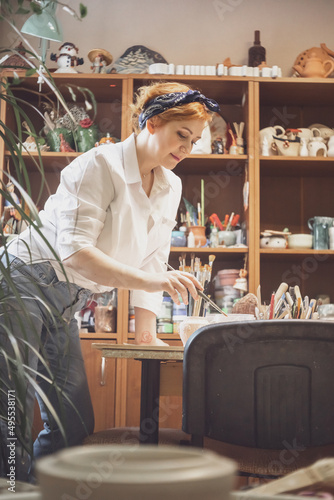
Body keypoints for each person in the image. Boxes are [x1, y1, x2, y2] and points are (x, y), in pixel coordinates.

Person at [0, 81, 219, 482]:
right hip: (22, 282)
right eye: (181, 135)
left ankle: (38, 490)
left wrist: (145, 333)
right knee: (8, 412)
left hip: (68, 296)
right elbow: (76, 252)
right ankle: (10, 490)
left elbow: (155, 257)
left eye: (195, 140)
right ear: (152, 123)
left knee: (73, 420)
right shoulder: (99, 165)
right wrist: (155, 283)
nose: (188, 148)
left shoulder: (171, 186)